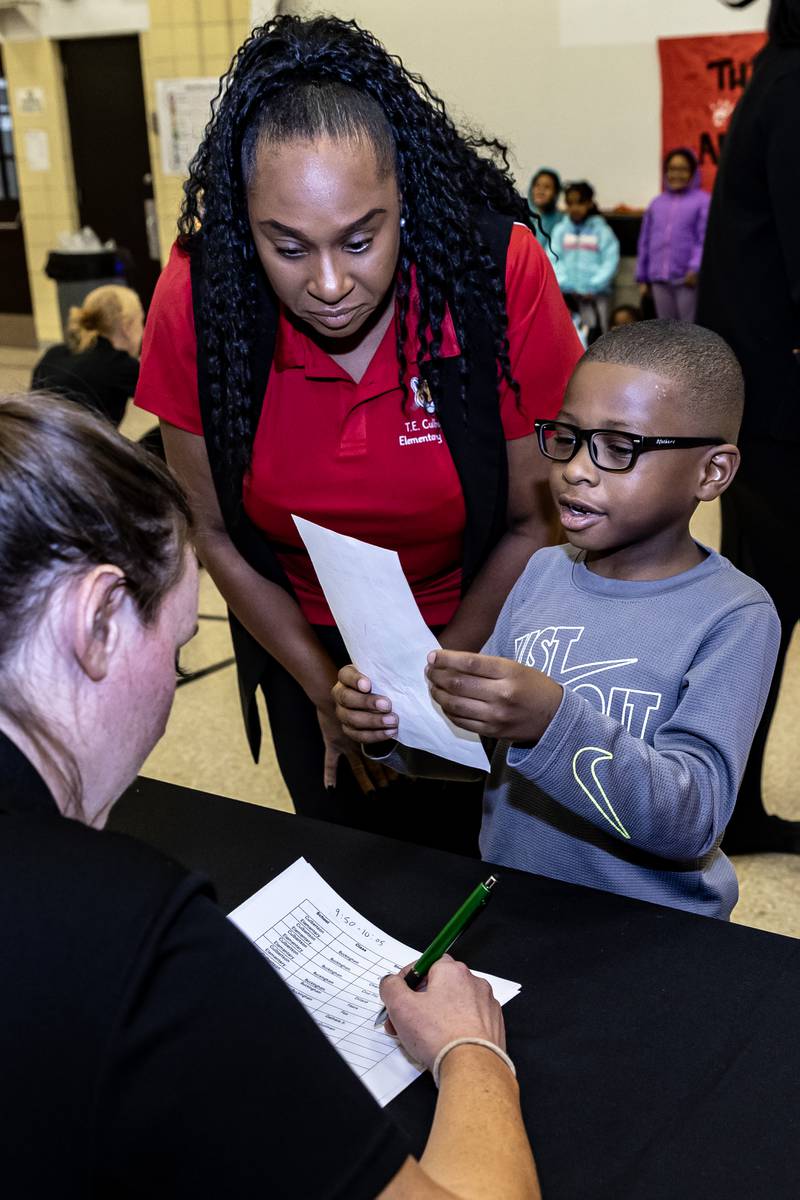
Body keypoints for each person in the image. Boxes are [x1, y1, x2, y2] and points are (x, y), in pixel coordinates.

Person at [0, 390, 539, 1199]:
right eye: (178, 648)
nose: (170, 695)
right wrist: (471, 1051)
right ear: (100, 619)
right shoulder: (133, 930)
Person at [135, 14, 581, 856]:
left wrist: (429, 683)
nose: (331, 284)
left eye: (361, 238)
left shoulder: (496, 272)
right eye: (289, 246)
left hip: (479, 632)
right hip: (302, 642)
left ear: (406, 198)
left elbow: (538, 519)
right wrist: (326, 694)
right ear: (246, 229)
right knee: (350, 870)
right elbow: (216, 532)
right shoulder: (202, 296)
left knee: (485, 881)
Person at [334, 321, 781, 919]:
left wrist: (552, 722)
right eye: (567, 438)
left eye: (621, 449)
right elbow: (478, 749)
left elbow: (692, 821)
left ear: (712, 472)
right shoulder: (543, 571)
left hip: (652, 929)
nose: (576, 469)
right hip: (513, 903)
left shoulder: (735, 616)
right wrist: (393, 725)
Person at [696, 0, 800, 855]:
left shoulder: (773, 73)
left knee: (758, 611)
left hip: (759, 410)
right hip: (783, 419)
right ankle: (730, 807)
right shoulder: (795, 84)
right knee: (760, 615)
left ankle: (732, 807)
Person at [31, 284, 143, 427]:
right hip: (79, 446)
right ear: (127, 327)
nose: (144, 331)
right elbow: (171, 400)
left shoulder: (53, 354)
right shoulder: (118, 364)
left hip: (35, 444)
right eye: (141, 322)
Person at [636, 148, 710, 324]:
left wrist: (695, 267)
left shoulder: (703, 201)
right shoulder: (657, 203)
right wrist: (642, 276)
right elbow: (644, 241)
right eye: (672, 169)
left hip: (687, 279)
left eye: (683, 169)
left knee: (688, 330)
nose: (677, 174)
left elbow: (704, 237)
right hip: (658, 279)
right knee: (666, 330)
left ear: (692, 172)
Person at [550, 181, 620, 338]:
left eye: (580, 203)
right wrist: (566, 285)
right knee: (570, 335)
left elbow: (610, 261)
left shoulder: (602, 231)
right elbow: (553, 258)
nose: (575, 208)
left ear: (589, 203)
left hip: (596, 297)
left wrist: (593, 286)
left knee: (598, 336)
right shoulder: (560, 230)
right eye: (570, 203)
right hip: (568, 297)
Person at [527, 167, 564, 253]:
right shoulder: (523, 216)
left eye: (547, 187)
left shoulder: (562, 220)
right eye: (537, 185)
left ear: (556, 193)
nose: (541, 191)